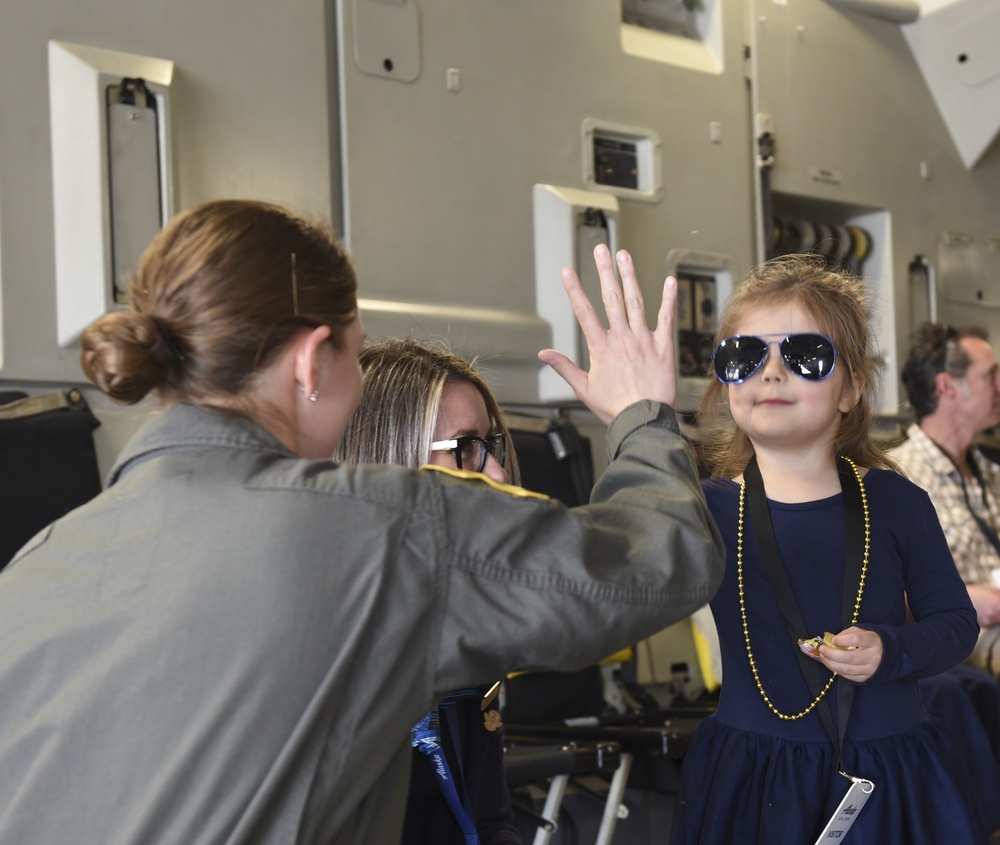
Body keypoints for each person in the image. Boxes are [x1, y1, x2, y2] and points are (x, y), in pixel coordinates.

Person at [0, 199, 725, 845]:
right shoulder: (384, 530)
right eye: (356, 349)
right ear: (313, 362)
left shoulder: (40, 564)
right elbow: (663, 557)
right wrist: (641, 417)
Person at [669, 254, 989, 844]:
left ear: (853, 389)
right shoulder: (705, 507)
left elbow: (955, 623)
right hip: (754, 781)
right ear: (724, 383)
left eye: (804, 355)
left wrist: (889, 649)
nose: (770, 374)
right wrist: (639, 419)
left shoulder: (893, 500)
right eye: (744, 357)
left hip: (889, 775)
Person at [333, 337, 523, 845]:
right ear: (387, 460)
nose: (498, 473)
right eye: (466, 449)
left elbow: (488, 818)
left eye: (491, 447)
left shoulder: (459, 609)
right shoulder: (327, 638)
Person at [889, 323, 1000, 675]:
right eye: (991, 376)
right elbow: (878, 596)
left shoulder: (990, 472)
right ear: (946, 386)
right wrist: (964, 599)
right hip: (964, 642)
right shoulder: (898, 477)